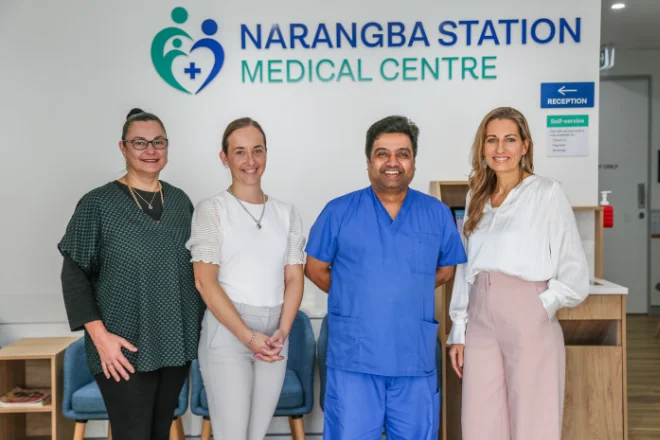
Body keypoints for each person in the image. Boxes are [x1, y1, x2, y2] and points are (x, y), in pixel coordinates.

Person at [305, 115, 467, 440]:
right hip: (354, 357)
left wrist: (405, 286)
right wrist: (358, 293)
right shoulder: (338, 212)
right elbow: (314, 268)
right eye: (383, 153)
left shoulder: (435, 213)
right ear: (368, 161)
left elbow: (447, 269)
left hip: (414, 359)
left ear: (414, 162)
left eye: (402, 154)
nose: (392, 162)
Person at [58, 108, 205, 440]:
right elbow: (74, 276)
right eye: (140, 142)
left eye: (158, 142)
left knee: (157, 433)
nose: (150, 150)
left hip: (173, 344)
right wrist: (101, 340)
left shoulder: (181, 202)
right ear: (123, 148)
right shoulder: (97, 204)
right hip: (121, 347)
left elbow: (197, 268)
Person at [447, 106, 590, 440]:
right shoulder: (475, 196)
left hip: (528, 311)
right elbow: (466, 265)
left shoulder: (546, 192)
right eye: (492, 140)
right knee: (480, 420)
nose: (500, 149)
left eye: (510, 139)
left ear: (525, 146)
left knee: (532, 420)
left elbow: (573, 267)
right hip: (480, 314)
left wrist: (544, 305)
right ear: (482, 148)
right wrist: (459, 329)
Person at [187, 117, 306, 440]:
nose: (250, 161)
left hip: (274, 334)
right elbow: (204, 282)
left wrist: (282, 329)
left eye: (257, 150)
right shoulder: (212, 209)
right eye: (239, 152)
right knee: (232, 436)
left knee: (256, 435)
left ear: (267, 154)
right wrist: (247, 336)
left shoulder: (287, 212)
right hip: (228, 332)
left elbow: (294, 277)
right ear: (224, 158)